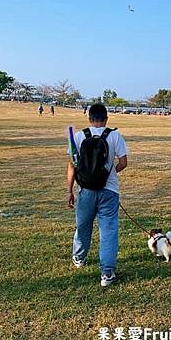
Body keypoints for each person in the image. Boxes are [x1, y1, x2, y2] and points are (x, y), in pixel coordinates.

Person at [67, 103, 128, 287]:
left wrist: (69, 190)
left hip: (85, 190)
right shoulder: (115, 136)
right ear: (106, 119)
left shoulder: (78, 136)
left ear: (90, 119)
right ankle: (107, 272)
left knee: (83, 226)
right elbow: (124, 162)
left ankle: (79, 257)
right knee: (108, 231)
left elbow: (72, 165)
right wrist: (111, 173)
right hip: (109, 191)